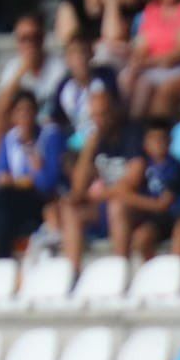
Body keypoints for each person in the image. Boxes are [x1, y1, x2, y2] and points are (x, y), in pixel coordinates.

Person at [0, 91, 64, 259]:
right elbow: (0, 175)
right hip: (13, 200)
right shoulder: (9, 140)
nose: (25, 116)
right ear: (13, 117)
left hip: (40, 201)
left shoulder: (49, 137)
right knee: (0, 210)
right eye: (20, 111)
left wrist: (36, 169)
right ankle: (1, 260)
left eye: (28, 110)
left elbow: (48, 182)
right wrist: (17, 180)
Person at [58, 84, 141, 273]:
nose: (99, 121)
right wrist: (88, 149)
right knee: (70, 208)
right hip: (104, 205)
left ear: (113, 111)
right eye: (95, 116)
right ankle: (73, 273)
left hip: (133, 204)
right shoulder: (95, 140)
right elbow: (78, 190)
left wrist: (104, 194)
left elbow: (134, 179)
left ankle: (119, 272)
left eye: (103, 114)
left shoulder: (131, 134)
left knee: (116, 206)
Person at [106, 116, 180, 258]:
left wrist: (128, 198)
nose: (158, 144)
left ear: (170, 141)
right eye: (153, 139)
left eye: (162, 139)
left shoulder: (173, 167)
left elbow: (162, 204)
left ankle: (176, 266)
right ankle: (151, 273)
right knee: (142, 238)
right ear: (145, 143)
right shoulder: (147, 166)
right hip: (162, 218)